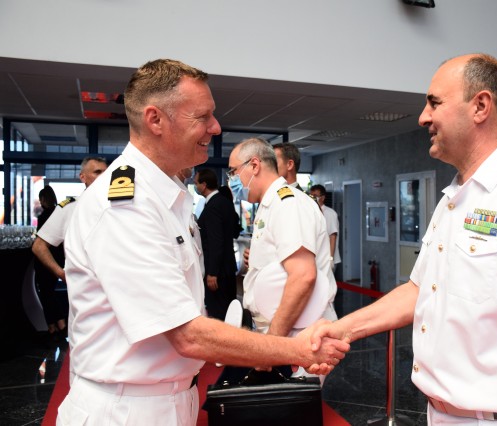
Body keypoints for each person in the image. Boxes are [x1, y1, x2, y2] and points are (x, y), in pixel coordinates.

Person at [310, 53, 497, 425]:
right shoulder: (455, 198)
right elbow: (419, 290)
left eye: (434, 103)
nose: (423, 117)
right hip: (441, 414)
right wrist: (342, 329)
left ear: (480, 106)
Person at [57, 59, 348, 426]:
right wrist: (294, 349)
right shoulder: (126, 205)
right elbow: (187, 336)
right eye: (203, 116)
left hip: (168, 398)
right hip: (126, 409)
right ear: (155, 119)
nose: (216, 127)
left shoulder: (168, 197)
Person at [228, 138, 338, 375]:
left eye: (233, 171)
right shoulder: (270, 203)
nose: (232, 180)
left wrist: (272, 346)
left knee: (291, 399)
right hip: (283, 331)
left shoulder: (287, 204)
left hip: (297, 335)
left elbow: (303, 276)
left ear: (254, 165)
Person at [32, 156, 107, 284]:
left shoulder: (118, 206)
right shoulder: (69, 208)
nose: (103, 177)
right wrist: (62, 274)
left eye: (106, 172)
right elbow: (39, 246)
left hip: (113, 284)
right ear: (83, 177)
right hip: (83, 286)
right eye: (97, 172)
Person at [195, 168, 239, 320]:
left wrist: (212, 273)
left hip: (218, 273)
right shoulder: (224, 201)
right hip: (227, 268)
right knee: (229, 312)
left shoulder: (213, 206)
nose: (196, 186)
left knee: (219, 313)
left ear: (204, 185)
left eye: (196, 183)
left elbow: (216, 240)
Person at [33, 185, 67, 343]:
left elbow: (39, 243)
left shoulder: (44, 216)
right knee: (49, 293)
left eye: (41, 199)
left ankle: (56, 326)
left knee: (46, 294)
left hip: (44, 261)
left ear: (44, 199)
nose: (40, 202)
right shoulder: (59, 213)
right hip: (58, 260)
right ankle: (58, 324)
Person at [309, 184, 341, 272]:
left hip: (327, 259)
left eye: (315, 196)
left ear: (322, 198)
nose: (312, 198)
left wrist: (330, 259)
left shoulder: (330, 213)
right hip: (317, 258)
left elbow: (332, 237)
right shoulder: (311, 212)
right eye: (311, 196)